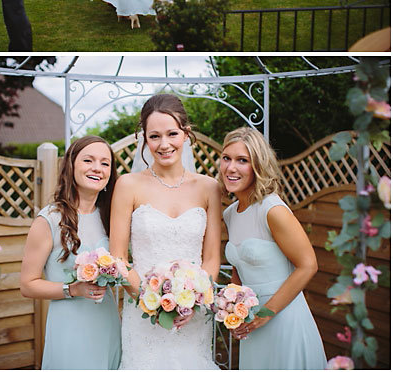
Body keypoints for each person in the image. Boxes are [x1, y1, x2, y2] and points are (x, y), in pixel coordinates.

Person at [110, 94, 222, 369]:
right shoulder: (128, 185)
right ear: (144, 139)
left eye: (172, 133)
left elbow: (211, 258)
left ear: (186, 134)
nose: (164, 144)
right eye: (154, 136)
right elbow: (118, 258)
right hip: (143, 314)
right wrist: (154, 304)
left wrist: (191, 304)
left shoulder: (209, 187)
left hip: (192, 316)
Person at [219, 127, 327, 369]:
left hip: (284, 318)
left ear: (257, 166)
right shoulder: (229, 214)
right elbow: (239, 268)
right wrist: (233, 309)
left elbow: (308, 265)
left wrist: (265, 314)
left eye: (242, 161)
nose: (231, 167)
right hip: (252, 325)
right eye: (226, 158)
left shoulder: (272, 210)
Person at [19, 136, 122, 369]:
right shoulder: (50, 219)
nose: (97, 168)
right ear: (71, 166)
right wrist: (73, 289)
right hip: (69, 326)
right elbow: (27, 284)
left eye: (105, 163)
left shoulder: (110, 218)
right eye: (88, 160)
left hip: (106, 322)